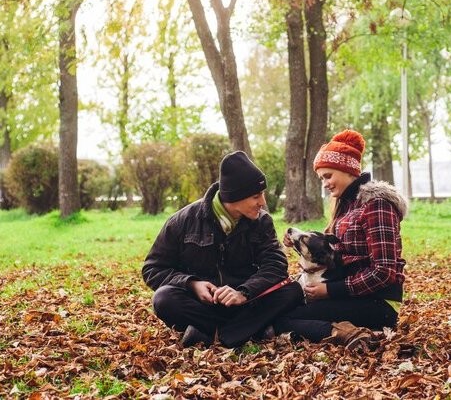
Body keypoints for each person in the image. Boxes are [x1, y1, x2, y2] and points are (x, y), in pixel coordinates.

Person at [142, 150, 303, 348]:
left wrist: (244, 292)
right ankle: (252, 331)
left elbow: (276, 265)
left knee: (293, 290)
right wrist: (192, 284)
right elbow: (152, 269)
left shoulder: (262, 221)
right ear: (234, 197)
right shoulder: (182, 221)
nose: (263, 202)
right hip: (203, 307)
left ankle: (213, 335)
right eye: (256, 196)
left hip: (246, 304)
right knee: (164, 298)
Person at [273, 129, 407, 348]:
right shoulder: (346, 205)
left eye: (328, 175)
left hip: (379, 303)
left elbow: (384, 271)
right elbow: (334, 249)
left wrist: (331, 291)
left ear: (348, 170)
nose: (325, 183)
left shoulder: (376, 205)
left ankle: (348, 334)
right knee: (284, 307)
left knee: (286, 319)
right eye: (322, 178)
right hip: (352, 296)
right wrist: (298, 240)